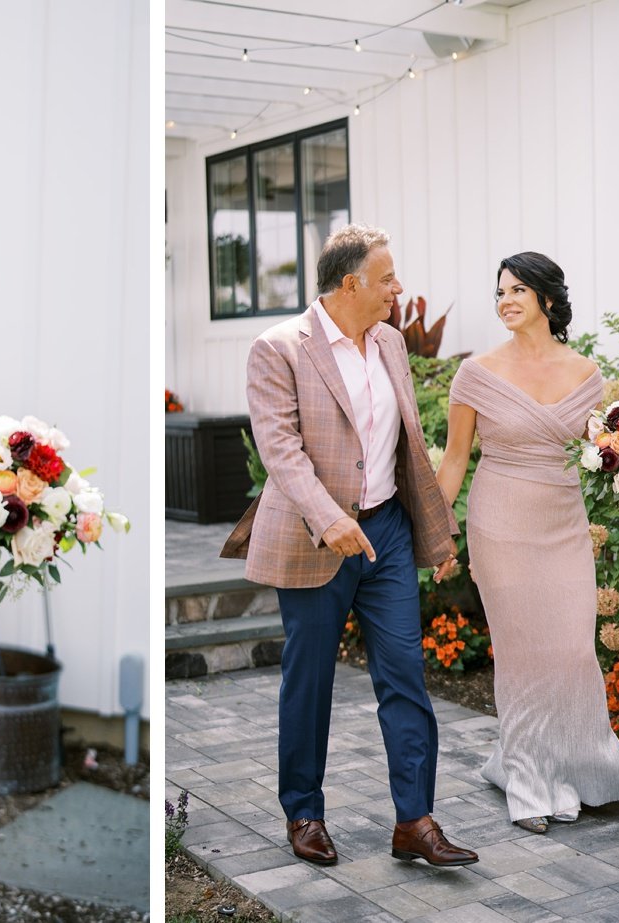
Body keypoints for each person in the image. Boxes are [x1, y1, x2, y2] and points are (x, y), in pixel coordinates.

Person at [222, 224, 478, 868]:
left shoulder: (390, 342)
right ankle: (303, 812)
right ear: (349, 284)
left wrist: (434, 530)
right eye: (387, 278)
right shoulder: (278, 347)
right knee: (309, 681)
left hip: (386, 533)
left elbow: (407, 446)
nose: (398, 289)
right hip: (316, 539)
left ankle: (414, 821)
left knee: (405, 677)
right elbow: (280, 449)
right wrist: (325, 516)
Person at [435, 251, 619, 833]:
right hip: (500, 522)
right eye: (499, 292)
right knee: (522, 654)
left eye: (517, 291)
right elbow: (455, 459)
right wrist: (436, 533)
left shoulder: (586, 373)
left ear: (547, 300)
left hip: (563, 524)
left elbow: (596, 450)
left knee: (572, 651)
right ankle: (530, 781)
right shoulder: (475, 374)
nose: (505, 301)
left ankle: (575, 768)